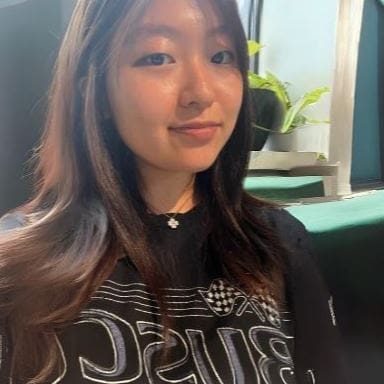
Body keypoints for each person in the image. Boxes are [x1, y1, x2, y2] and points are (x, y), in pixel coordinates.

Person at [0, 0, 347, 383]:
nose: (201, 92)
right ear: (94, 91)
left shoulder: (279, 244)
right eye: (158, 58)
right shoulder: (14, 264)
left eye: (220, 55)